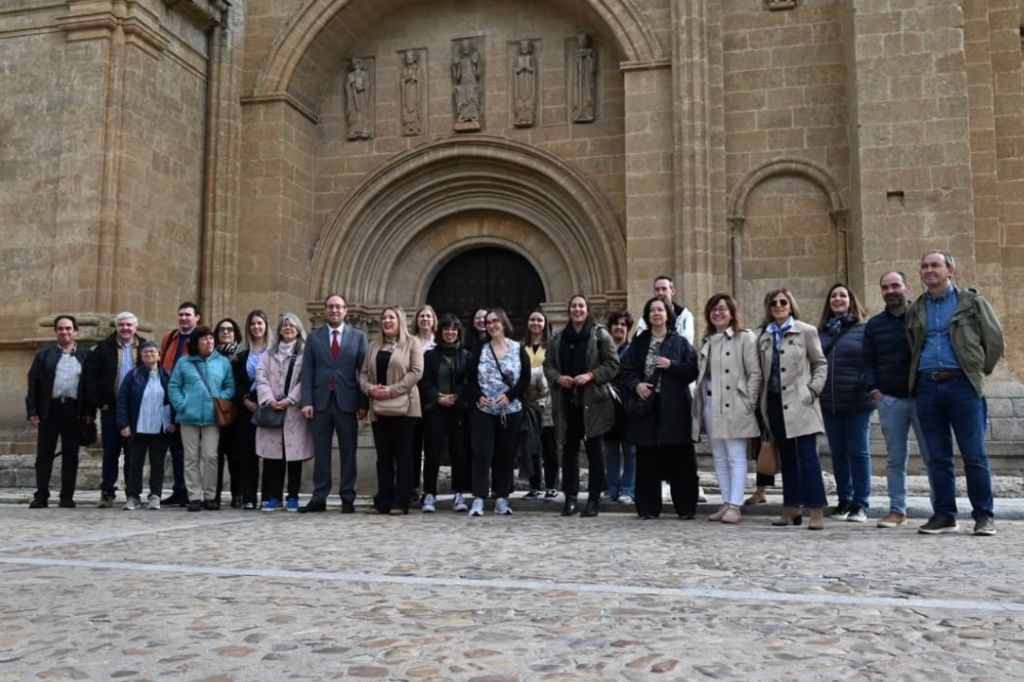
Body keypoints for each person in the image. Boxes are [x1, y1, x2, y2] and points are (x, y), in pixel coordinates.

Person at [907, 250, 1004, 536]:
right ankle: (944, 515)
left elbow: (994, 340)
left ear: (951, 270)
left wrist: (976, 371)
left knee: (974, 455)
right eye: (924, 266)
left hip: (962, 386)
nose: (929, 270)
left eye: (935, 265)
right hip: (927, 387)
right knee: (937, 457)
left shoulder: (971, 302)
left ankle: (984, 516)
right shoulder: (917, 307)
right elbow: (913, 343)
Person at [619, 298, 699, 519]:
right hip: (647, 409)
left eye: (660, 310)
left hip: (675, 409)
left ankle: (685, 507)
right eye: (652, 310)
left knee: (681, 460)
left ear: (667, 315)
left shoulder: (680, 342)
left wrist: (671, 365)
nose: (656, 313)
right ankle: (648, 508)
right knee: (647, 460)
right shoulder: (639, 342)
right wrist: (637, 385)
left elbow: (692, 370)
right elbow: (625, 370)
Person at [862, 271, 931, 528]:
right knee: (895, 460)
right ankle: (897, 510)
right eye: (885, 287)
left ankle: (942, 510)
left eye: (895, 286)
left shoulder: (922, 317)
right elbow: (867, 361)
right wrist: (875, 391)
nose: (890, 291)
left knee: (933, 457)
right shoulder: (874, 325)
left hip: (924, 399)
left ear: (906, 287)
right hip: (890, 400)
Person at [756, 289, 829, 530]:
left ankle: (816, 509)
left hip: (801, 402)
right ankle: (791, 507)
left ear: (791, 305)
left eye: (783, 302)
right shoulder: (764, 337)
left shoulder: (806, 331)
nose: (778, 306)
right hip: (775, 403)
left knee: (808, 457)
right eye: (773, 303)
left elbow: (820, 363)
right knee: (786, 458)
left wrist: (813, 390)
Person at [544, 295, 619, 517]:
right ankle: (570, 497)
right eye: (574, 306)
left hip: (592, 403)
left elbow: (613, 364)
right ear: (569, 310)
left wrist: (591, 375)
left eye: (581, 306)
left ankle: (594, 498)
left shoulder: (599, 335)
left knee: (595, 451)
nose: (577, 309)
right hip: (566, 403)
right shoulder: (557, 339)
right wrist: (558, 378)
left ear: (587, 309)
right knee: (568, 451)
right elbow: (548, 365)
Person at [692, 294, 762, 524]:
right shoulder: (708, 341)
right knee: (719, 457)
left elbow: (755, 373)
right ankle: (726, 501)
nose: (718, 313)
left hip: (735, 404)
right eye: (713, 309)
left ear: (732, 313)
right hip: (711, 403)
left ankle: (735, 504)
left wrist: (749, 402)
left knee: (735, 455)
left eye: (722, 308)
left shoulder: (745, 337)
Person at [299, 294, 368, 514]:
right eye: (330, 307)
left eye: (338, 307)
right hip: (320, 403)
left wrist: (363, 404)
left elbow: (363, 372)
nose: (334, 310)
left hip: (347, 402)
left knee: (349, 450)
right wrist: (306, 401)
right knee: (321, 452)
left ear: (346, 311)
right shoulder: (314, 338)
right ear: (325, 310)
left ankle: (347, 497)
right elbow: (307, 371)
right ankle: (319, 497)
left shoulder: (358, 337)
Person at [817, 284, 874, 523]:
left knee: (858, 452)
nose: (838, 299)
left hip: (856, 400)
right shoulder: (821, 333)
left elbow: (870, 362)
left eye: (842, 295)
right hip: (829, 402)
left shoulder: (863, 330)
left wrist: (863, 384)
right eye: (833, 295)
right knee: (838, 453)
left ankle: (861, 503)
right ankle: (844, 500)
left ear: (851, 300)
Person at [465, 308, 530, 517]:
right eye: (488, 322)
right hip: (484, 410)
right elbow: (469, 379)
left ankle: (502, 497)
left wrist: (510, 395)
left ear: (503, 323)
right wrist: (478, 396)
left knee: (506, 454)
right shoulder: (480, 350)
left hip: (510, 410)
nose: (492, 325)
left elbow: (525, 379)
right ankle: (479, 497)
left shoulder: (518, 348)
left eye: (495, 321)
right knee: (482, 453)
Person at [360, 306, 423, 515]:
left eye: (391, 317)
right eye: (384, 318)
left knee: (403, 455)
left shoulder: (412, 343)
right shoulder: (374, 345)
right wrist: (370, 389)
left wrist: (391, 390)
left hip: (405, 407)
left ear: (400, 320)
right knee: (384, 456)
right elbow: (363, 373)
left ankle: (401, 501)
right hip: (379, 407)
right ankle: (383, 500)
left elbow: (416, 372)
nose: (386, 321)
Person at [26, 315, 92, 508]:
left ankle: (67, 496)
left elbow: (90, 386)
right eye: (61, 329)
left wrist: (89, 412)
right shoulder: (44, 355)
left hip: (74, 411)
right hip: (49, 409)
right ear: (56, 332)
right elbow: (33, 384)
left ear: (75, 331)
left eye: (68, 328)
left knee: (71, 455)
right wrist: (32, 411)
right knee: (44, 454)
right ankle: (41, 495)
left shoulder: (86, 355)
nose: (65, 332)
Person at [168, 326, 235, 511]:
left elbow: (230, 386)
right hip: (188, 417)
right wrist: (182, 404)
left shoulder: (222, 362)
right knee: (190, 458)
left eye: (211, 338)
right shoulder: (184, 362)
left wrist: (220, 398)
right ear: (196, 343)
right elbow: (174, 386)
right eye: (205, 339)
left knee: (210, 456)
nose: (209, 341)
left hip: (212, 418)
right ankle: (194, 497)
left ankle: (210, 496)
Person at [84, 311, 144, 508]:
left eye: (129, 325)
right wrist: (99, 402)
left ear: (135, 327)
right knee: (110, 451)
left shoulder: (145, 347)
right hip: (111, 407)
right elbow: (90, 377)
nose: (125, 328)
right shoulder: (103, 348)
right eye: (121, 325)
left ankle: (132, 492)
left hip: (136, 410)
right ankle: (107, 492)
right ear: (116, 327)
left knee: (133, 453)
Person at [254, 313, 312, 512]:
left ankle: (293, 496)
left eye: (292, 326)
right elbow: (260, 377)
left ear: (298, 329)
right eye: (285, 326)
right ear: (279, 329)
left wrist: (291, 399)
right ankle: (274, 496)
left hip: (294, 411)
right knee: (273, 456)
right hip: (272, 409)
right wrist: (269, 399)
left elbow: (306, 379)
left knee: (293, 456)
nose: (288, 329)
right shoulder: (269, 353)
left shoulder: (305, 353)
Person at [418, 313, 473, 512]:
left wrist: (456, 396)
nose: (450, 333)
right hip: (435, 409)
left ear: (459, 332)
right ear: (440, 331)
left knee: (459, 453)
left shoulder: (466, 356)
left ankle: (458, 494)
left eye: (454, 329)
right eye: (446, 329)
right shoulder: (430, 356)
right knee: (433, 452)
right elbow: (425, 382)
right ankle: (429, 494)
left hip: (458, 410)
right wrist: (438, 397)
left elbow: (468, 381)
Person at [116, 341, 174, 510]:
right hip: (138, 427)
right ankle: (133, 496)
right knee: (135, 462)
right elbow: (122, 400)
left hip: (159, 427)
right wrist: (123, 424)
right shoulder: (132, 375)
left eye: (152, 352)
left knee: (157, 463)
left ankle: (155, 495)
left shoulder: (167, 376)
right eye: (145, 352)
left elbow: (173, 400)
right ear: (141, 356)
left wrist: (172, 422)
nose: (149, 355)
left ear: (159, 355)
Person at [159, 301, 201, 506]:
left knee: (190, 450)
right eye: (181, 314)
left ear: (197, 318)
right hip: (170, 399)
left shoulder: (201, 339)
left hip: (191, 400)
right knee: (176, 449)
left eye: (188, 315)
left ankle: (191, 491)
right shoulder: (170, 338)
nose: (184, 318)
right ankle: (179, 490)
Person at [233, 310, 272, 509]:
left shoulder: (273, 352)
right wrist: (246, 400)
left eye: (260, 323)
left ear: (266, 326)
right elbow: (237, 381)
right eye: (253, 324)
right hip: (246, 406)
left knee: (270, 452)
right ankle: (249, 496)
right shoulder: (241, 354)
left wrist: (267, 400)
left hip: (269, 404)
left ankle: (267, 496)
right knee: (248, 453)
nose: (256, 327)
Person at [521, 309, 558, 498]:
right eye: (532, 319)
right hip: (528, 402)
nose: (535, 323)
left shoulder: (552, 346)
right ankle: (535, 486)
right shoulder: (521, 346)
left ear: (545, 324)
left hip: (549, 401)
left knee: (549, 445)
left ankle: (552, 485)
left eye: (539, 320)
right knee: (532, 445)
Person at [603, 310, 636, 505]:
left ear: (628, 329)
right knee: (610, 450)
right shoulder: (603, 351)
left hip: (628, 406)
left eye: (623, 325)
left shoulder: (632, 351)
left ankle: (628, 489)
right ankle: (612, 488)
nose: (619, 327)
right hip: (607, 407)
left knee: (630, 451)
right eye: (616, 324)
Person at [212, 318, 242, 507]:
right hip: (216, 409)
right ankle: (213, 494)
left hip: (237, 409)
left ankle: (237, 494)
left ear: (235, 333)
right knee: (215, 454)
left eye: (230, 329)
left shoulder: (242, 354)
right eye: (221, 329)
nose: (225, 332)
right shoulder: (210, 355)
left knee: (236, 455)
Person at [410, 305, 438, 501]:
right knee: (411, 446)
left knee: (431, 447)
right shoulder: (409, 342)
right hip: (411, 398)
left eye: (429, 316)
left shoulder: (438, 344)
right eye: (422, 316)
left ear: (434, 320)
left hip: (432, 401)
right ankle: (412, 487)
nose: (425, 319)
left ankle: (429, 489)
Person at [633, 275, 695, 345]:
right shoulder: (646, 317)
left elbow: (687, 343)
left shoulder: (685, 316)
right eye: (657, 289)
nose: (660, 293)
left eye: (664, 289)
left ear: (672, 291)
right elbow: (640, 341)